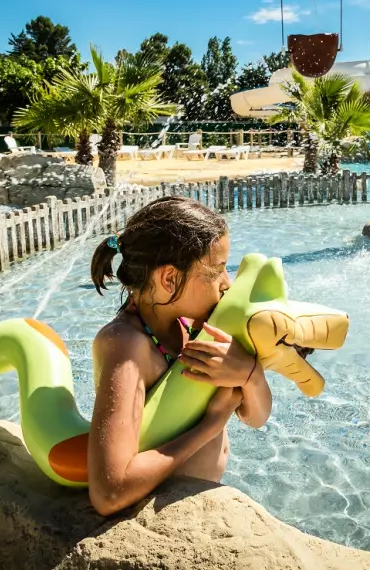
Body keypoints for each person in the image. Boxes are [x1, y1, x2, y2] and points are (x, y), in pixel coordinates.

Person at [87, 196, 272, 515]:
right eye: (217, 270)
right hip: (160, 512)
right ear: (169, 279)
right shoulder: (128, 346)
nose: (227, 283)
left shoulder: (194, 323)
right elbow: (109, 492)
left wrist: (250, 375)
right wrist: (210, 426)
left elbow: (256, 418)